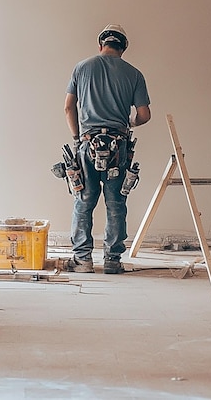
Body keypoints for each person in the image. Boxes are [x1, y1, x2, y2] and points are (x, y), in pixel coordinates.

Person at [63, 24, 151, 274]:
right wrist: (129, 122)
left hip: (88, 143)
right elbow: (144, 115)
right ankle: (112, 261)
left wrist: (77, 138)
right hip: (118, 146)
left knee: (84, 201)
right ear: (123, 48)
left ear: (101, 44)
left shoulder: (82, 67)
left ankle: (83, 260)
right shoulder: (134, 74)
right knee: (116, 203)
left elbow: (69, 107)